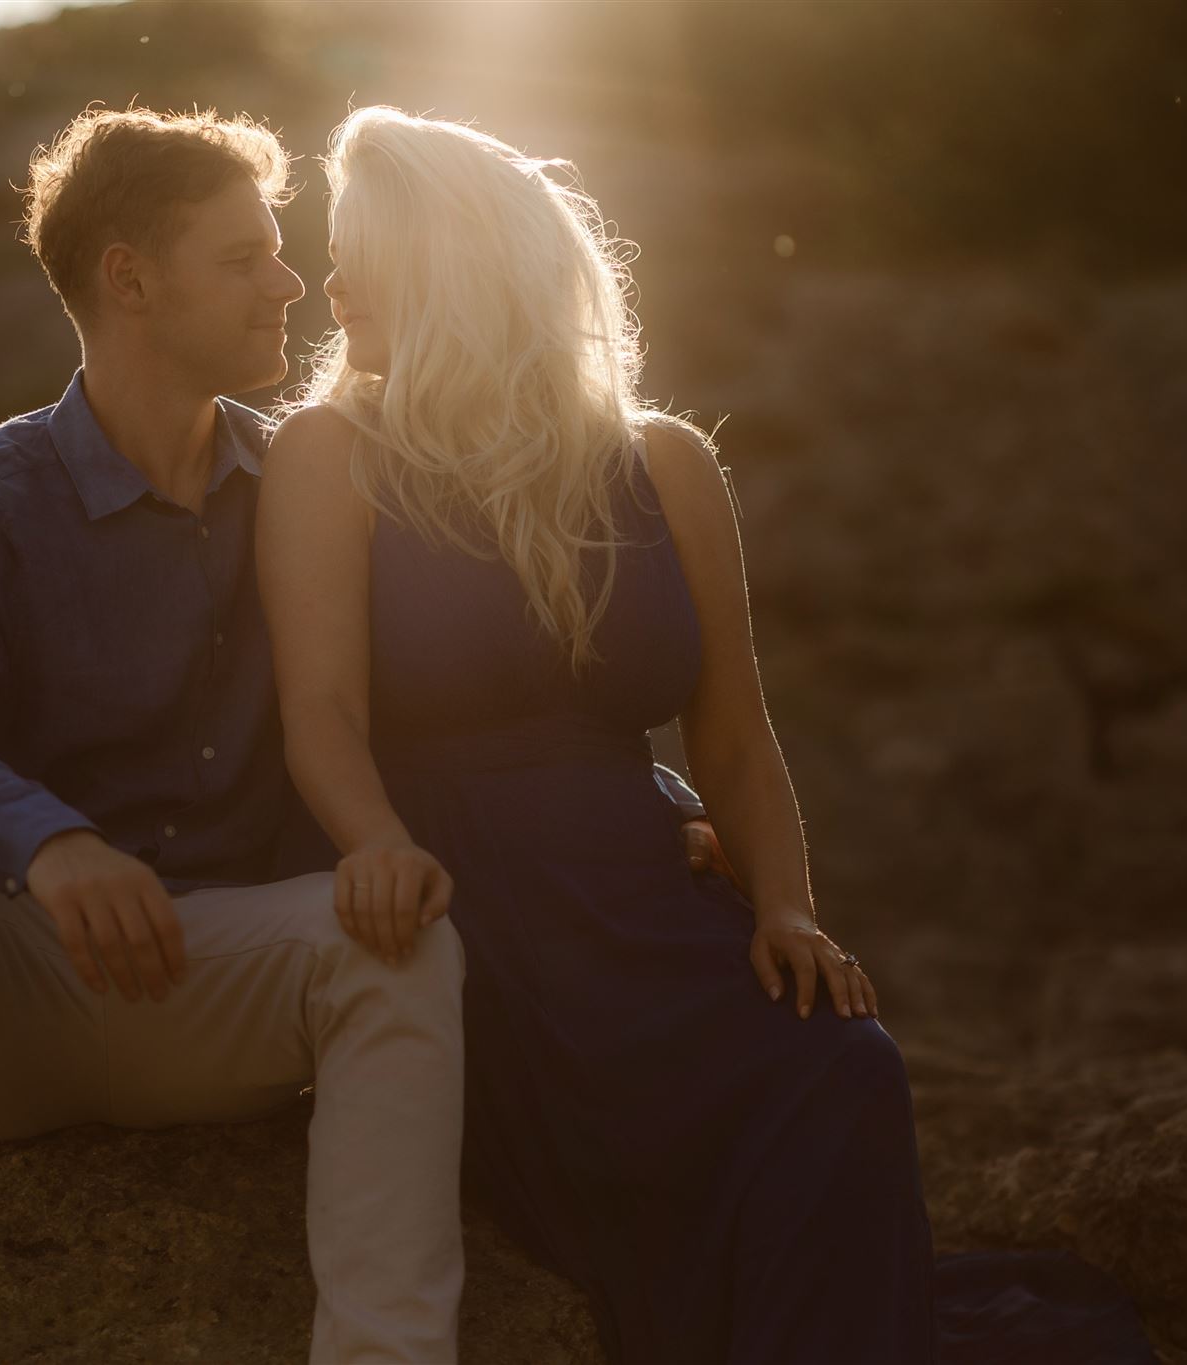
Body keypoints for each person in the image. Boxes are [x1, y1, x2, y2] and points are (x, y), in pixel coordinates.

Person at [0, 106, 727, 1365]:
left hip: (231, 989)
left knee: (397, 946)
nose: (288, 283)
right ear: (130, 279)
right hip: (16, 1002)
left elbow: (438, 711)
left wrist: (648, 805)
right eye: (242, 258)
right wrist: (50, 845)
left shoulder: (317, 487)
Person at [255, 106, 934, 1363]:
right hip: (468, 911)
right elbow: (322, 715)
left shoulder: (664, 461)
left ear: (447, 264)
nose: (331, 286)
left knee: (842, 1070)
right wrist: (377, 850)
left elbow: (731, 733)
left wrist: (784, 906)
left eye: (357, 252)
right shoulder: (328, 453)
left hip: (641, 891)